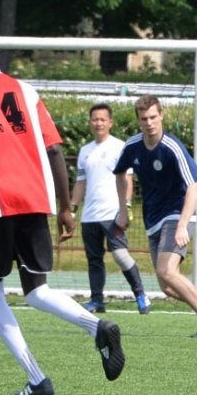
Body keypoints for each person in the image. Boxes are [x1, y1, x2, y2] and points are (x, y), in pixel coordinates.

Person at [0, 20, 124, 395]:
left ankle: (37, 379)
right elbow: (54, 149)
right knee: (36, 290)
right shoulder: (25, 89)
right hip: (34, 198)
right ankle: (96, 327)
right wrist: (66, 207)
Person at [113, 95, 197, 340]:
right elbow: (120, 174)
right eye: (144, 119)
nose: (149, 123)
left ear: (161, 115)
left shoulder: (171, 146)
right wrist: (122, 208)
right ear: (138, 121)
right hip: (153, 220)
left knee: (167, 270)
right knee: (167, 286)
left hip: (177, 216)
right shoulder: (133, 146)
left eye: (153, 117)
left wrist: (183, 224)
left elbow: (194, 185)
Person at [71, 103, 151, 315]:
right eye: (95, 119)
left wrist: (125, 206)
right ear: (90, 123)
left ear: (110, 122)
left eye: (102, 119)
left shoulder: (120, 147)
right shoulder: (84, 151)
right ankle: (97, 301)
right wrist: (72, 209)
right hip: (89, 216)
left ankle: (141, 295)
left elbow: (127, 179)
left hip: (112, 213)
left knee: (120, 255)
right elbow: (81, 182)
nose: (98, 123)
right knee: (94, 260)